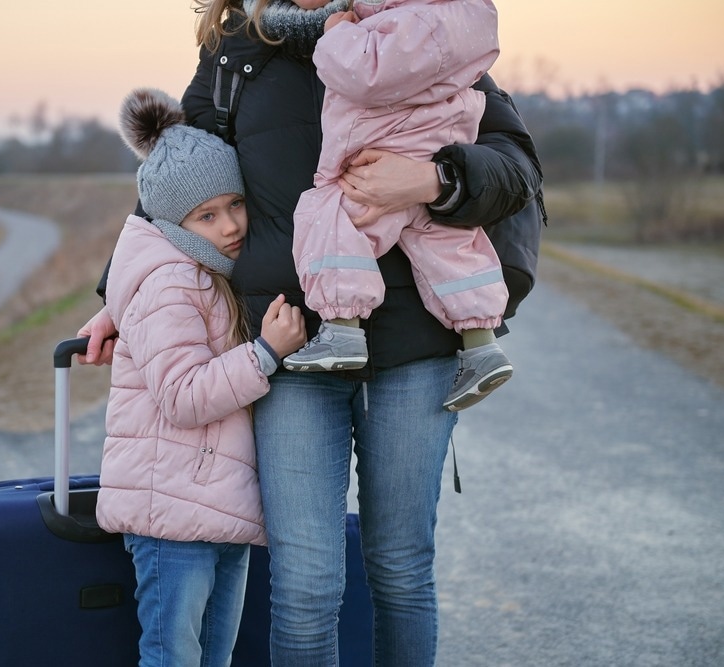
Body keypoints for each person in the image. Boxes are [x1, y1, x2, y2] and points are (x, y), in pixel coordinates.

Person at [80, 1, 543, 664]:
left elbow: (516, 168)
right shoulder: (239, 48)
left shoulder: (410, 26)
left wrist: (434, 179)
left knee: (401, 572)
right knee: (303, 587)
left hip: (417, 344)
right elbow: (177, 177)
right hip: (292, 347)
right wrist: (117, 293)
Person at [95, 86, 306, 666]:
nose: (232, 224)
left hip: (214, 509)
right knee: (174, 658)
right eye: (207, 216)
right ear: (172, 222)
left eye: (235, 204)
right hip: (170, 518)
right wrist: (266, 353)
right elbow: (183, 397)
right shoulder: (170, 282)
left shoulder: (208, 270)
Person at [283, 0, 513, 413]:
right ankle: (481, 344)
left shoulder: (406, 21)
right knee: (449, 246)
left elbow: (364, 74)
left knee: (330, 215)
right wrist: (434, 178)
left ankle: (342, 327)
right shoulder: (467, 18)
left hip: (381, 149)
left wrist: (337, 33)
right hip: (436, 144)